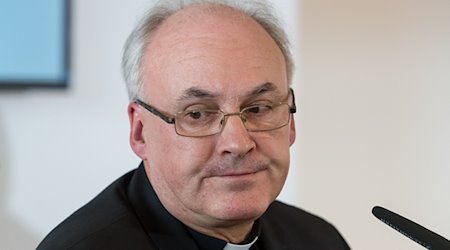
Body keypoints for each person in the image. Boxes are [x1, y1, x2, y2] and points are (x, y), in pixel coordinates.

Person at [37, 0, 350, 249]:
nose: (238, 143)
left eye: (258, 108)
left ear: (290, 122)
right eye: (198, 114)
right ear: (140, 132)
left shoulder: (319, 239)